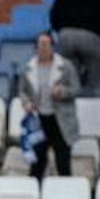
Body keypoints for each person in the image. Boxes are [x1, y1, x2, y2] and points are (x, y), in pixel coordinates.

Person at [20, 32, 79, 180]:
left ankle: (66, 196)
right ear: (36, 47)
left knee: (63, 161)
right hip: (39, 119)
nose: (44, 48)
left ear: (53, 46)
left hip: (60, 119)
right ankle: (35, 194)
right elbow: (22, 91)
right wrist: (26, 103)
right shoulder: (28, 68)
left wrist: (62, 92)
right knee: (37, 162)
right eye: (41, 45)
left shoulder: (66, 67)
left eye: (47, 44)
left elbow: (76, 88)